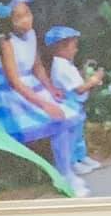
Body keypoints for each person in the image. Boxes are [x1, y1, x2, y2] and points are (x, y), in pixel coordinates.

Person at [0, 0, 88, 198]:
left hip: (32, 86)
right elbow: (14, 81)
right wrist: (45, 104)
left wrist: (50, 89)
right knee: (55, 119)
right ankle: (63, 175)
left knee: (68, 116)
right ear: (8, 22)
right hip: (10, 94)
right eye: (18, 17)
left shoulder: (31, 34)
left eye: (27, 14)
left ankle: (66, 168)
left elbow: (37, 67)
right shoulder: (5, 42)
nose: (26, 20)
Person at [44, 23, 105, 174]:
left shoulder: (66, 64)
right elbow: (79, 89)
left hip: (76, 105)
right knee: (71, 134)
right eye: (73, 46)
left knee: (79, 133)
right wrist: (94, 80)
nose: (76, 50)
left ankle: (81, 157)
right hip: (69, 105)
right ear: (61, 48)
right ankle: (72, 162)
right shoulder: (61, 68)